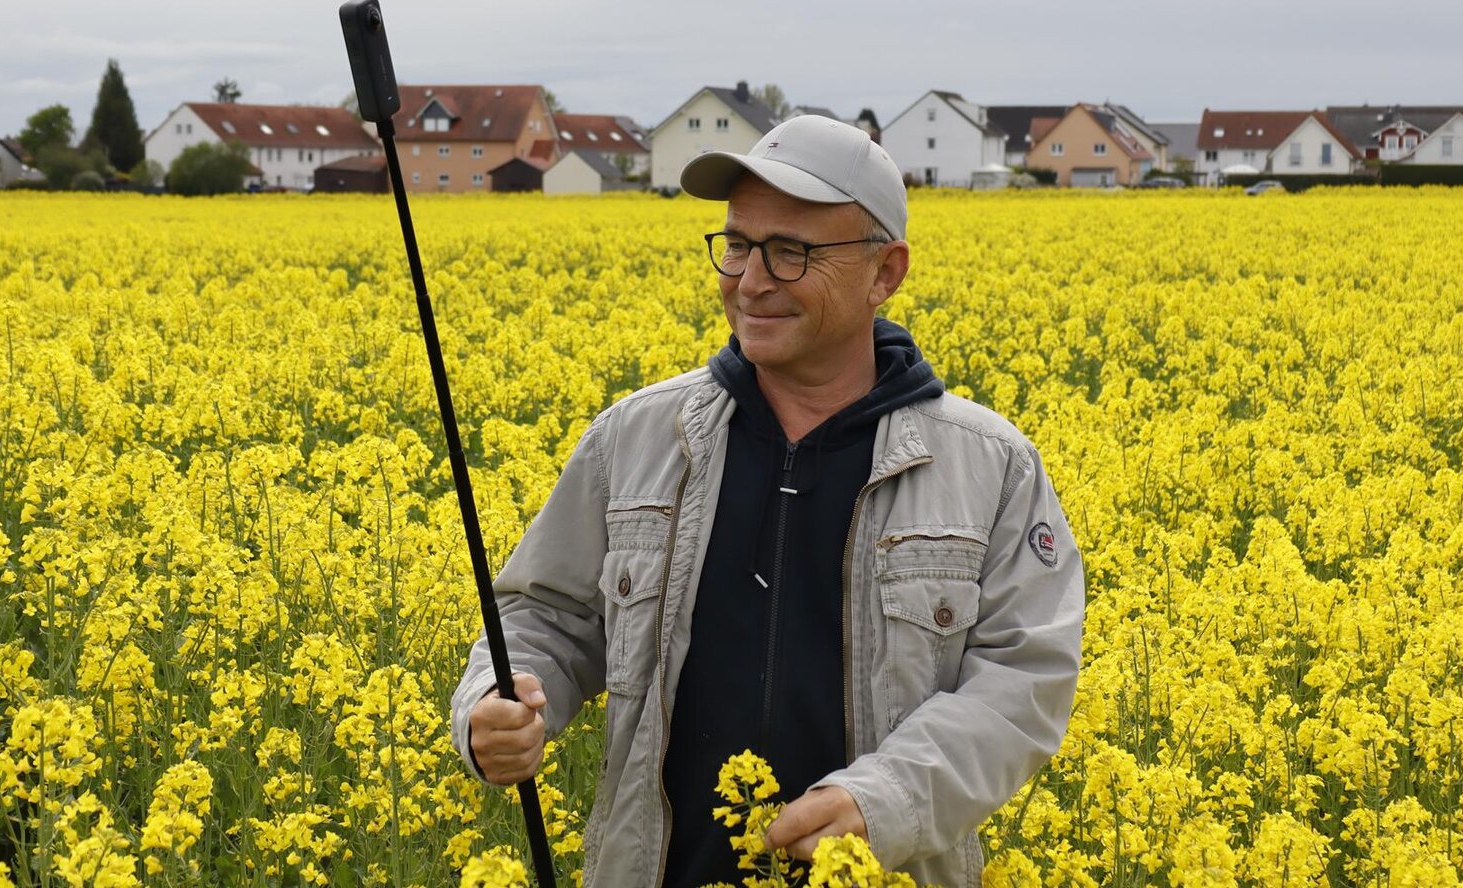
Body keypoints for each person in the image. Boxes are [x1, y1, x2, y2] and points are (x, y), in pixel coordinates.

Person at [451, 114, 1086, 886]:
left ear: (885, 272)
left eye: (792, 252)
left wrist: (885, 802)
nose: (750, 282)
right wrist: (497, 701)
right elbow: (547, 616)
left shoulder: (991, 467)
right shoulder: (634, 438)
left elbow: (1024, 679)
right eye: (738, 245)